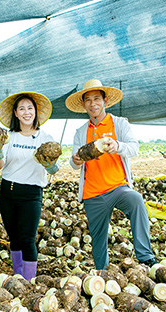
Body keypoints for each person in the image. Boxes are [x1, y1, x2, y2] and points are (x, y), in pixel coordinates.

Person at [66, 79, 157, 270]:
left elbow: (134, 148)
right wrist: (76, 160)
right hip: (92, 193)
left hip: (118, 187)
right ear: (83, 105)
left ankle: (145, 255)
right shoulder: (81, 131)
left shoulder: (119, 124)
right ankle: (102, 271)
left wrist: (117, 146)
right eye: (88, 100)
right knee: (98, 238)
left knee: (136, 200)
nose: (93, 104)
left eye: (97, 99)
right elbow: (74, 162)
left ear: (105, 101)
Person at [0, 92, 60, 281]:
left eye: (30, 108)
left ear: (36, 112)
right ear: (16, 113)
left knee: (28, 239)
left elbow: (54, 170)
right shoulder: (9, 137)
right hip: (8, 192)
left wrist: (51, 165)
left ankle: (28, 281)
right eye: (22, 109)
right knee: (14, 238)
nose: (26, 112)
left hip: (31, 194)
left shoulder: (45, 137)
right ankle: (17, 276)